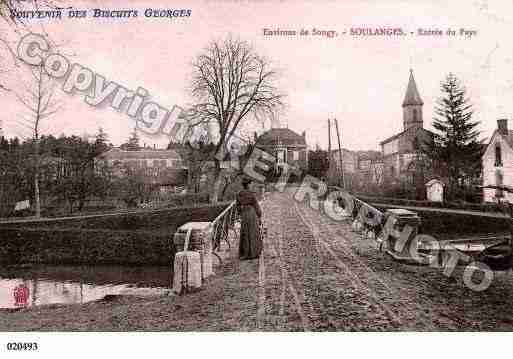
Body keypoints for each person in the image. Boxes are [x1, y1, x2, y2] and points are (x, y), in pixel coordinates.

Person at [236, 177, 263, 260]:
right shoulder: (252, 194)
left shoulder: (239, 193)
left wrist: (240, 214)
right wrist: (259, 215)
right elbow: (256, 206)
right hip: (252, 213)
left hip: (244, 214)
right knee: (253, 232)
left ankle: (245, 253)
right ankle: (253, 253)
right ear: (248, 185)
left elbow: (238, 206)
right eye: (251, 184)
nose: (252, 185)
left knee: (245, 233)